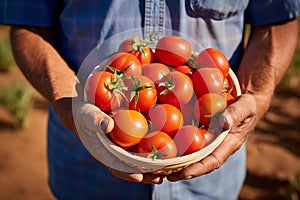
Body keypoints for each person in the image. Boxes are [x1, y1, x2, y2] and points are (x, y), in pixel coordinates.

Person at [0, 0, 299, 199]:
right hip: (85, 168)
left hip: (210, 174)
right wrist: (68, 100)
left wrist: (255, 92)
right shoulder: (140, 83)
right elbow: (27, 20)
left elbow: (279, 17)